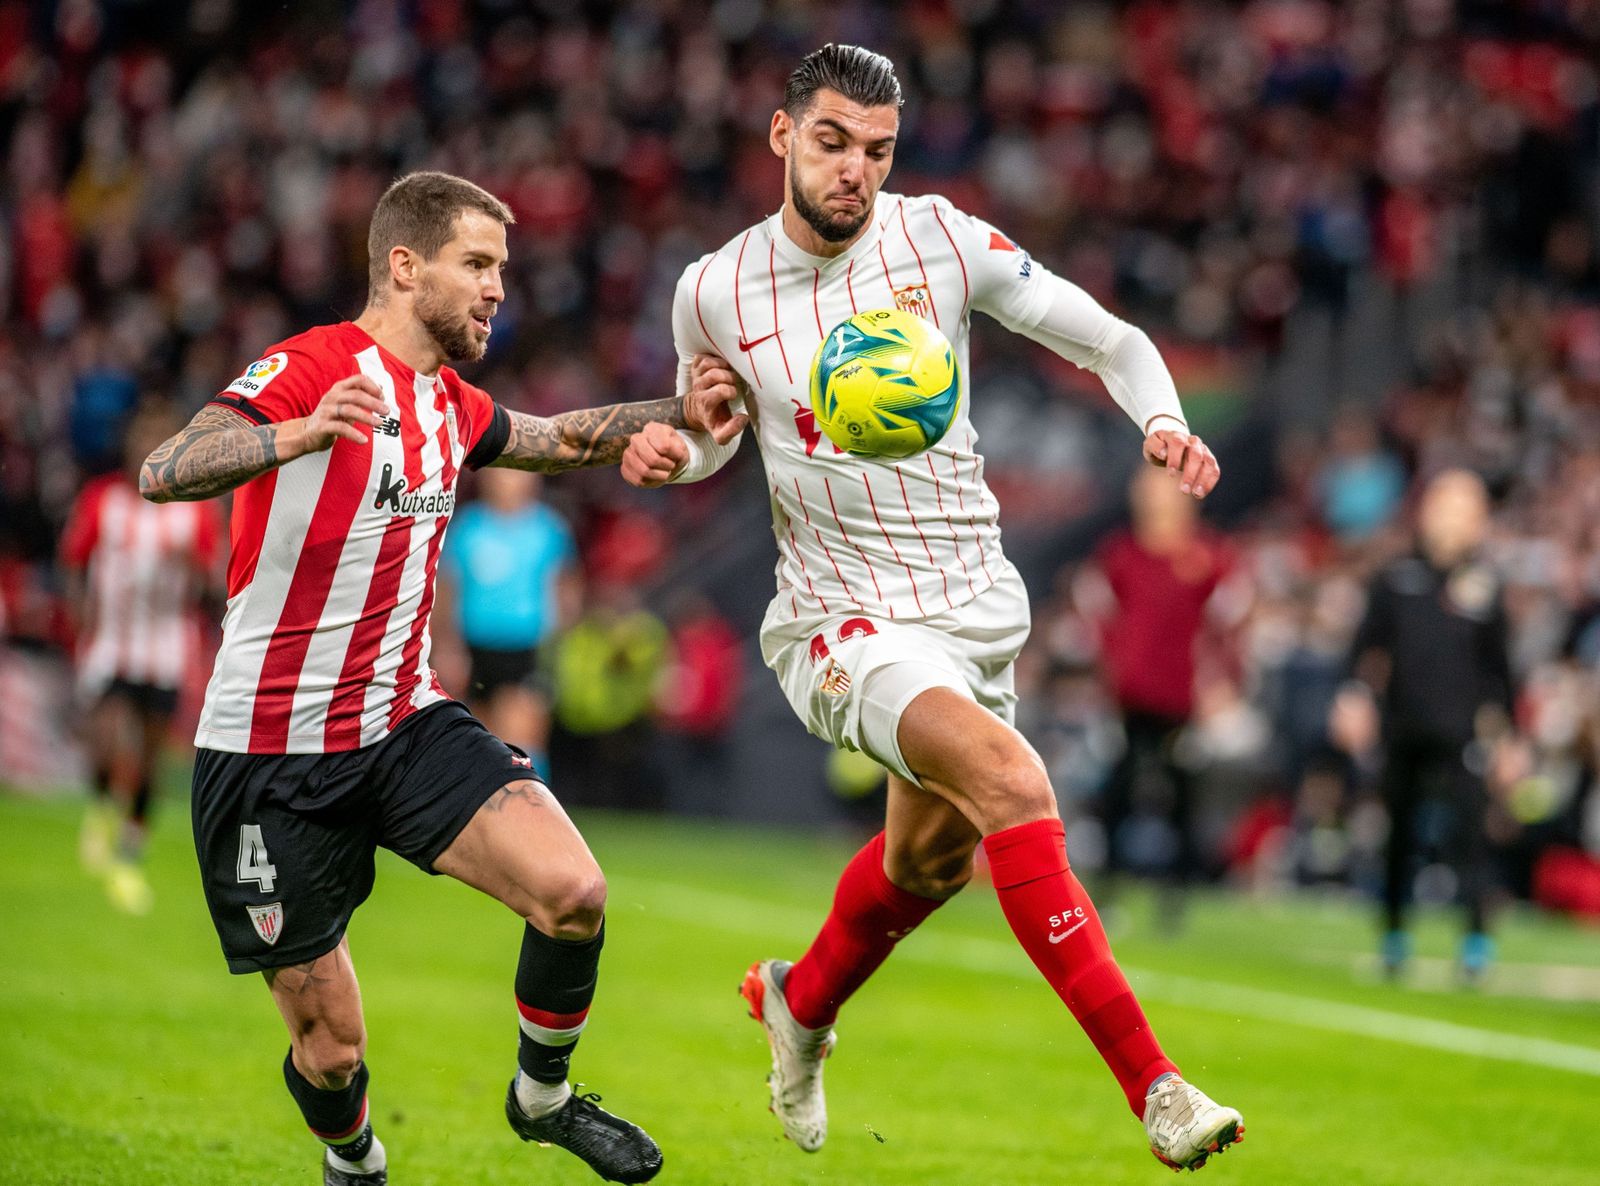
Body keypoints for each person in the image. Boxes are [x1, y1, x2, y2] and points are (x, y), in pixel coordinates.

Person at [622, 43, 1244, 1173]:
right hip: (836, 616)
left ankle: (797, 1003)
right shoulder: (712, 288)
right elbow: (714, 436)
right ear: (779, 136)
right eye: (831, 143)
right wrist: (676, 445)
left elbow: (1111, 338)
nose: (854, 170)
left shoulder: (940, 241)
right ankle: (1155, 1087)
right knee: (1014, 782)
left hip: (968, 603)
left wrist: (1161, 421)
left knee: (927, 866)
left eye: (877, 150)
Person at [138, 170, 737, 1186]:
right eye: (478, 264)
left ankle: (541, 1095)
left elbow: (551, 439)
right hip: (267, 753)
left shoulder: (449, 402)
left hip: (402, 720)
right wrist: (299, 431)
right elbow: (167, 467)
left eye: (502, 267)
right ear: (404, 266)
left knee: (574, 890)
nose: (499, 287)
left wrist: (681, 406)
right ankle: (355, 1158)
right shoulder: (311, 365)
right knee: (330, 1050)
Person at [1330, 468, 1514, 981]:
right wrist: (1354, 699)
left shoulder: (1485, 587)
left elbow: (1501, 672)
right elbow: (1362, 650)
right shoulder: (1397, 579)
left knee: (1471, 838)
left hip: (1463, 735)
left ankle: (1475, 939)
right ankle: (1393, 933)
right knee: (1399, 834)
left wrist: (1510, 737)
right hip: (1403, 728)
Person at [60, 401, 223, 914]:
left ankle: (130, 851)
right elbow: (74, 560)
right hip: (111, 643)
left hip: (165, 646)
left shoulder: (193, 508)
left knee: (151, 752)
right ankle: (104, 805)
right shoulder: (102, 499)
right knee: (109, 737)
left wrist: (192, 566)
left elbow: (211, 581)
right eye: (141, 440)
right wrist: (78, 610)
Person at [1087, 465, 1236, 926]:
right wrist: (1105, 679)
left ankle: (1175, 899)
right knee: (1119, 791)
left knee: (1181, 796)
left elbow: (1228, 626)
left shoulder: (1209, 558)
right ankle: (1108, 890)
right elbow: (1098, 622)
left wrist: (1217, 683)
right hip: (1128, 698)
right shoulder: (1120, 556)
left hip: (1183, 700)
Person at [437, 468, 578, 774]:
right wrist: (447, 647)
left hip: (524, 648)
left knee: (523, 741)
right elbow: (447, 591)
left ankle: (532, 814)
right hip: (475, 648)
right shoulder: (468, 527)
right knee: (476, 740)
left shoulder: (548, 530)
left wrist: (556, 644)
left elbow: (565, 589)